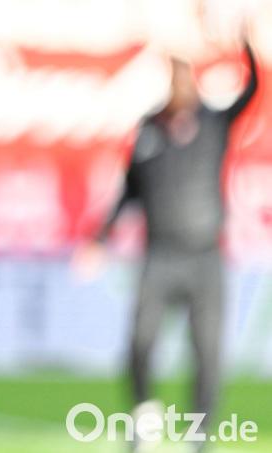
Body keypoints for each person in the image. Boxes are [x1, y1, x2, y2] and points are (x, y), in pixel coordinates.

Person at [80, 37, 258, 452]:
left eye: (186, 80)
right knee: (140, 342)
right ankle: (144, 419)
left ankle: (200, 435)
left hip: (205, 257)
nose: (180, 89)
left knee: (207, 353)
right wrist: (100, 238)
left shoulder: (214, 123)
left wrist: (245, 38)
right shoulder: (150, 128)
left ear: (194, 84)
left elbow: (252, 89)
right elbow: (129, 189)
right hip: (160, 255)